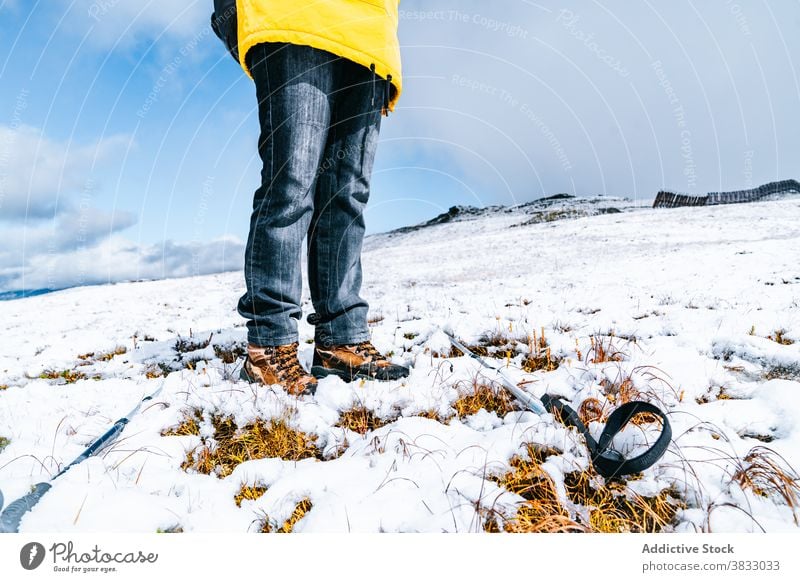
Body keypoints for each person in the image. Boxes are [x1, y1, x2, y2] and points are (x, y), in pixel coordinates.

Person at [211, 0, 409, 395]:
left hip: (370, 36)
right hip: (292, 16)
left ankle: (341, 338)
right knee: (291, 184)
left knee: (347, 196)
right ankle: (269, 345)